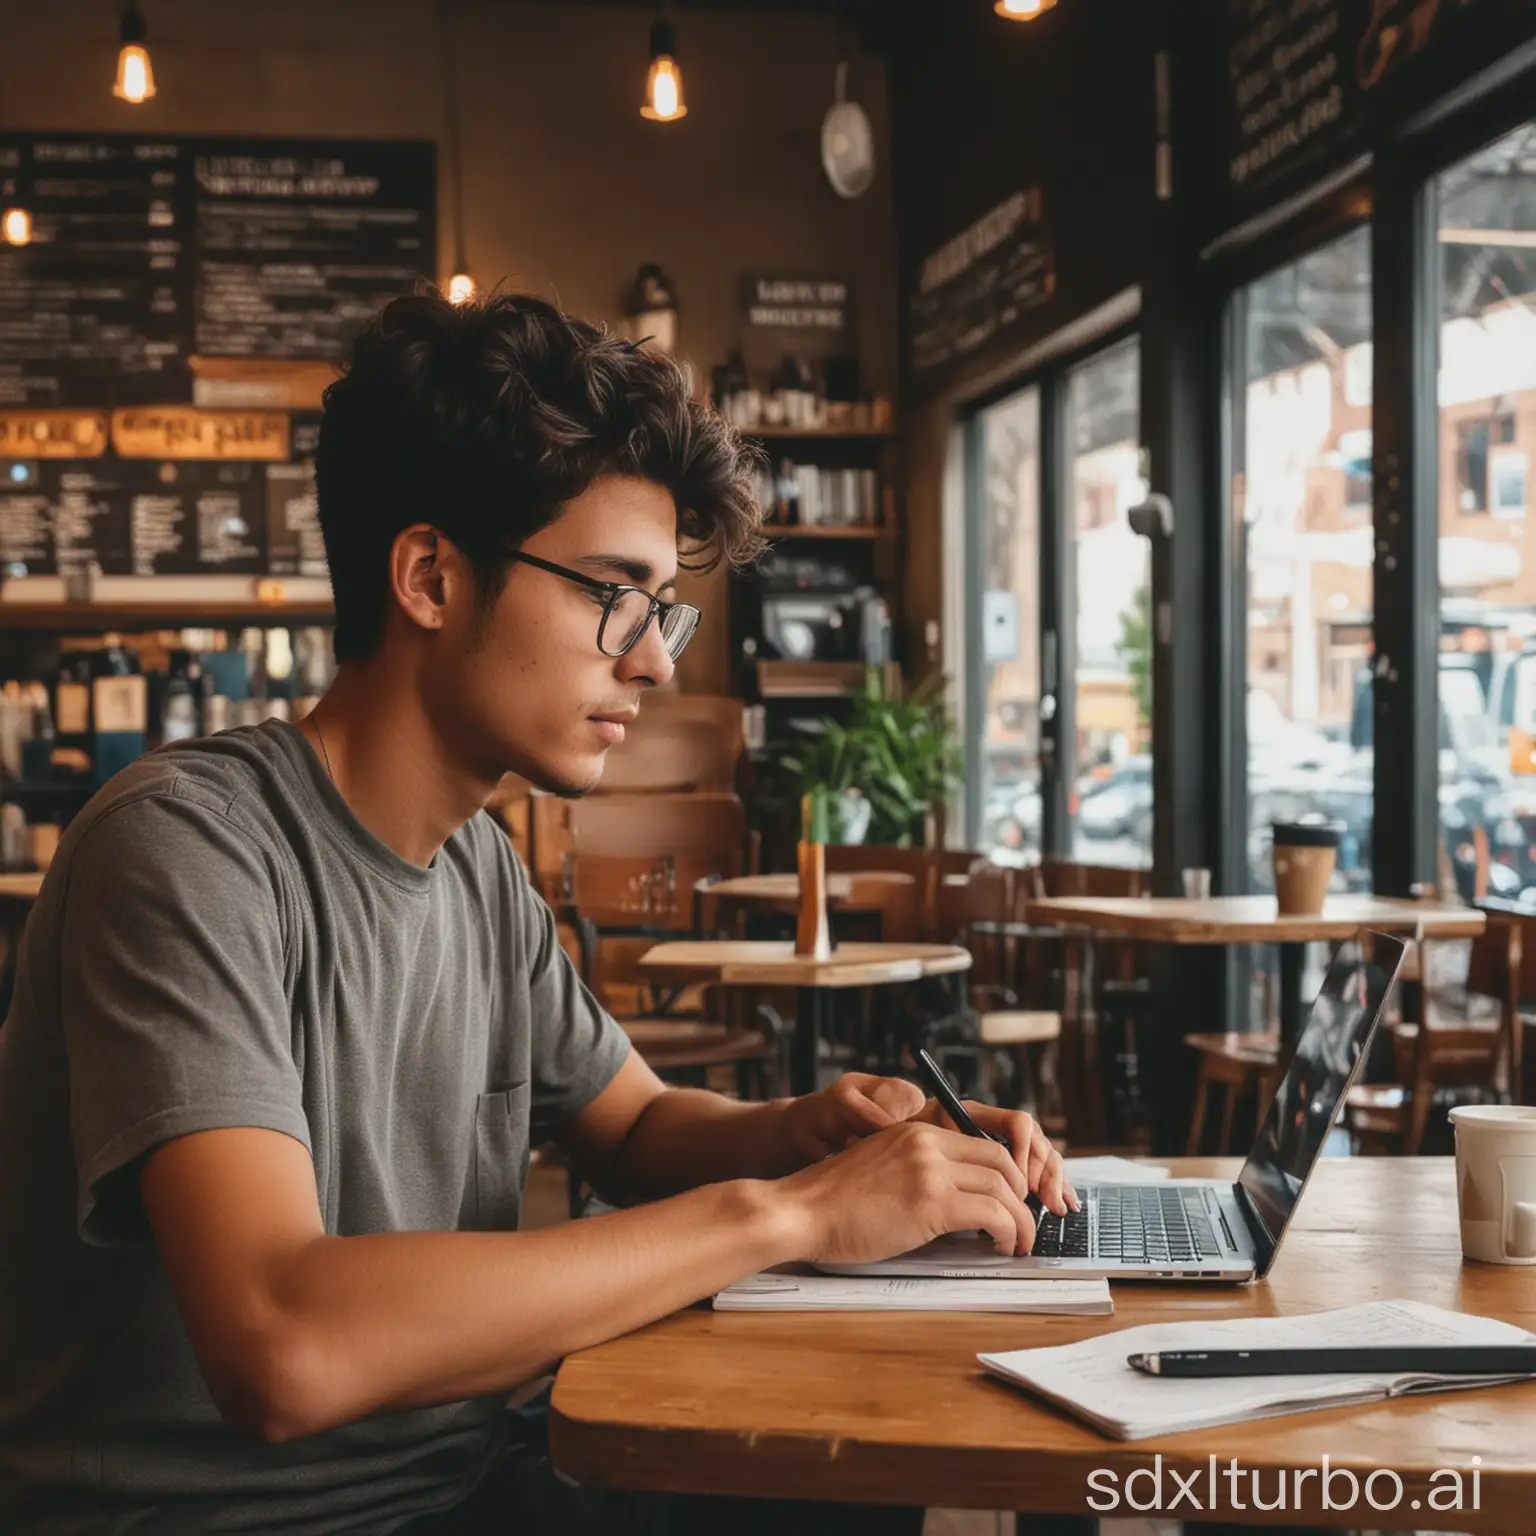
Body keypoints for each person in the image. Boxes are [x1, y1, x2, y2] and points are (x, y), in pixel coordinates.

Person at [0, 291, 1075, 1534]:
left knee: (866, 1474)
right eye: (612, 591)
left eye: (661, 606)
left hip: (469, 1479)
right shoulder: (186, 849)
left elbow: (636, 1124)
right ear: (428, 577)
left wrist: (820, 1136)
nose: (658, 660)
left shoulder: (477, 871)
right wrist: (792, 1214)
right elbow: (281, 1339)